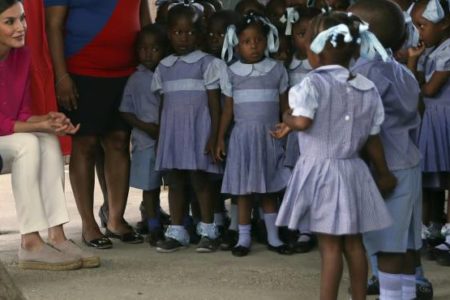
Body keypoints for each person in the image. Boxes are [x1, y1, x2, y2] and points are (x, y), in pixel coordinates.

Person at [272, 12, 397, 300]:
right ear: (355, 51)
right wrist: (384, 171)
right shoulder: (366, 87)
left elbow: (303, 122)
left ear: (314, 50)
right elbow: (372, 137)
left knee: (329, 248)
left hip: (322, 173)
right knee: (355, 245)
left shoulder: (310, 85)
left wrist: (286, 118)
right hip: (354, 170)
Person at [0, 0, 99, 270]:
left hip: (7, 135)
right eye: (10, 22)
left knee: (46, 140)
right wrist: (36, 126)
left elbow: (20, 112)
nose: (21, 27)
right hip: (8, 138)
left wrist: (48, 121)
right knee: (28, 143)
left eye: (22, 19)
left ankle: (56, 235)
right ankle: (30, 242)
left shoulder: (21, 55)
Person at [44, 0, 151, 249]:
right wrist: (61, 76)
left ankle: (115, 219)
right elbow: (53, 25)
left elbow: (143, 18)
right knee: (86, 143)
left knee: (119, 141)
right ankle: (88, 224)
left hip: (126, 72)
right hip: (81, 70)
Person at [349, 1, 430, 300]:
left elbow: (363, 127)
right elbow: (417, 111)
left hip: (385, 170)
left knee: (385, 249)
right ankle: (406, 295)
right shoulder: (402, 72)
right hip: (408, 163)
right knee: (405, 245)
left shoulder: (363, 74)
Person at [216, 12, 292, 257]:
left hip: (269, 137)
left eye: (258, 40)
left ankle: (273, 236)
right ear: (237, 44)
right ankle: (244, 238)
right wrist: (219, 138)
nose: (253, 46)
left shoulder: (277, 70)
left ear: (266, 40)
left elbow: (284, 107)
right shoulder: (231, 72)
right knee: (243, 191)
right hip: (242, 140)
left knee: (268, 189)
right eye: (247, 41)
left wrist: (288, 129)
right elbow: (228, 110)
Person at [151, 3, 225, 253]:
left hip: (198, 132)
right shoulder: (164, 67)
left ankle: (208, 230)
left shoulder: (208, 64)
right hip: (173, 134)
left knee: (200, 181)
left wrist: (214, 136)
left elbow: (215, 105)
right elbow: (163, 106)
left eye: (190, 32)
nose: (184, 38)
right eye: (178, 32)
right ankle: (177, 230)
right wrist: (163, 137)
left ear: (200, 33)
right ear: (169, 33)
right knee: (175, 181)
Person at [408, 0, 450, 267]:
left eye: (422, 26)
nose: (419, 33)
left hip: (445, 119)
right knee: (433, 176)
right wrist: (413, 62)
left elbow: (428, 89)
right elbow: (415, 87)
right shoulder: (429, 50)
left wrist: (415, 70)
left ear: (444, 23)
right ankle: (434, 227)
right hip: (431, 120)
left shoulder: (448, 51)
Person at [119, 24, 168, 247]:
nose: (148, 53)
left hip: (169, 140)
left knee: (174, 182)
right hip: (146, 142)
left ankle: (178, 220)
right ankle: (153, 224)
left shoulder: (168, 73)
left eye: (155, 49)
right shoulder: (135, 79)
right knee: (149, 186)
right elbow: (125, 110)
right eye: (143, 48)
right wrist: (145, 126)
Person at [282, 6, 320, 254]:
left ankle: (314, 228)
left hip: (315, 132)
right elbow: (285, 96)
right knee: (297, 179)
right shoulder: (288, 63)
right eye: (300, 33)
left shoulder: (322, 64)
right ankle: (301, 226)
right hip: (295, 131)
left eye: (312, 34)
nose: (305, 40)